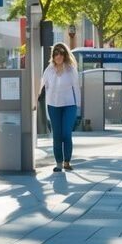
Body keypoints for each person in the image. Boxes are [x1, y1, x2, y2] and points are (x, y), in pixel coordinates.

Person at [40, 42, 81, 172]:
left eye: (61, 53)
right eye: (55, 53)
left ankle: (67, 161)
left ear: (65, 55)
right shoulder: (49, 70)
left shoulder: (71, 69)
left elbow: (76, 88)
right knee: (57, 135)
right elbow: (41, 85)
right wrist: (33, 101)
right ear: (53, 56)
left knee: (66, 134)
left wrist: (78, 106)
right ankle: (58, 163)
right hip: (53, 105)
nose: (58, 56)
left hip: (69, 105)